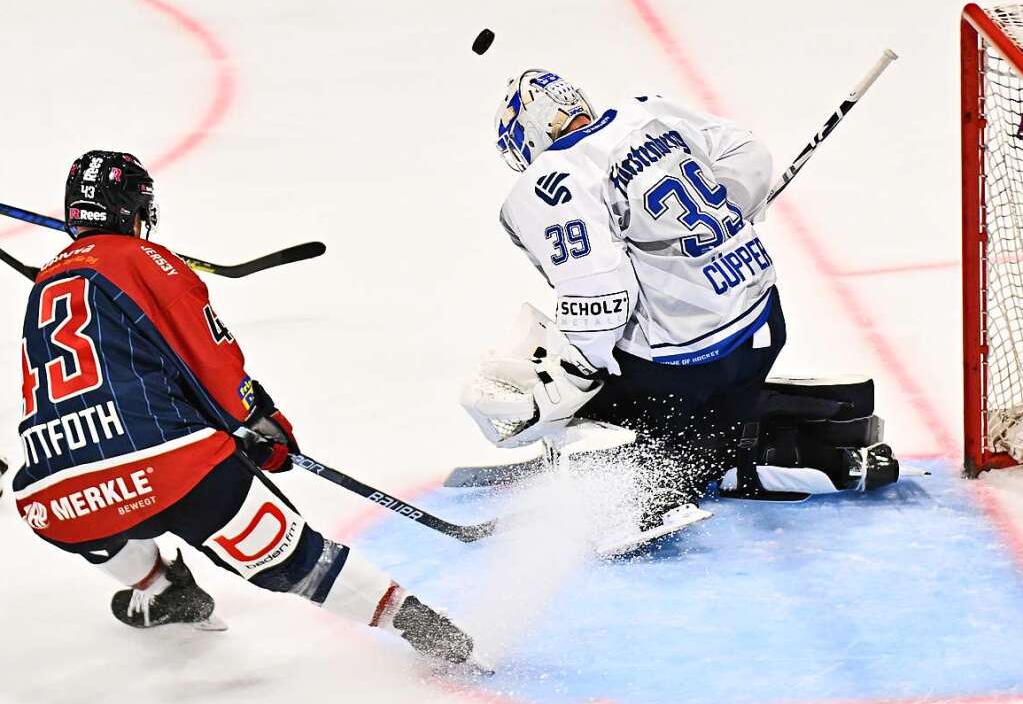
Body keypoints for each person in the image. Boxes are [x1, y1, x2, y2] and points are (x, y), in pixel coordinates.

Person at [12, 150, 476, 666]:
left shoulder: (43, 288)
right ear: (133, 208)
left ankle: (161, 590)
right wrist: (257, 421)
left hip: (57, 496)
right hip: (171, 468)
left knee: (81, 510)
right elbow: (207, 359)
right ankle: (420, 625)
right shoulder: (145, 260)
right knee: (298, 563)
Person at [476, 70, 787, 529]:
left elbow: (600, 292)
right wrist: (709, 226)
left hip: (683, 368)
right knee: (705, 407)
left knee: (553, 373)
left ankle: (631, 495)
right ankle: (707, 455)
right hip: (763, 326)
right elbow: (750, 156)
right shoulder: (649, 111)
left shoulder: (550, 181)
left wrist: (578, 374)